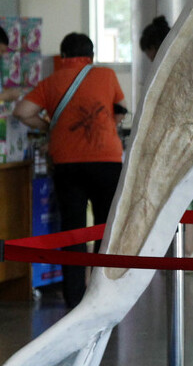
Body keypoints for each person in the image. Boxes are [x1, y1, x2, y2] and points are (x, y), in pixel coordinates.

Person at [15, 33, 127, 309]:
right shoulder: (107, 75)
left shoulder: (51, 82)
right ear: (90, 56)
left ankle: (74, 297)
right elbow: (120, 111)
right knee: (105, 227)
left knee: (73, 231)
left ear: (63, 57)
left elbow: (22, 111)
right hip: (106, 162)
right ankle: (104, 291)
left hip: (68, 164)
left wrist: (49, 127)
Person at [139, 16, 193, 260]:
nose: (149, 58)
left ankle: (177, 250)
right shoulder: (188, 58)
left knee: (173, 197)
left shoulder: (164, 68)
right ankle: (188, 249)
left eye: (148, 53)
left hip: (172, 142)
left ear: (154, 47)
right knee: (192, 196)